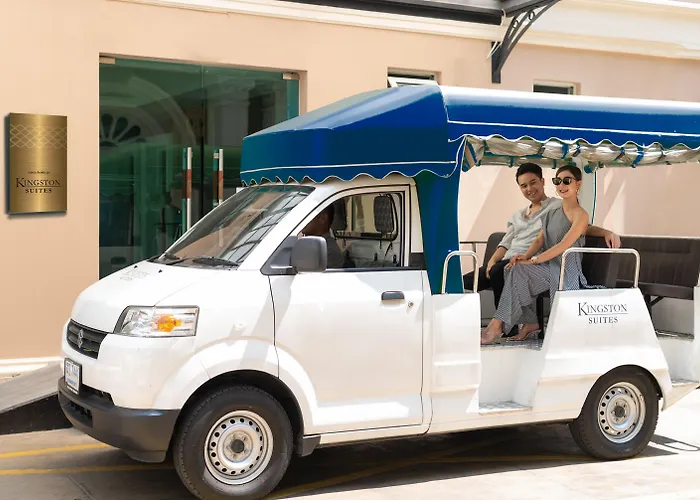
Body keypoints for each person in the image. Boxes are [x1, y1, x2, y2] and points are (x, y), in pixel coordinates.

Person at [464, 162, 620, 335]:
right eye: (558, 181)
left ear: (578, 184)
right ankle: (528, 321)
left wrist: (534, 260)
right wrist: (524, 257)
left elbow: (565, 244)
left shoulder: (579, 214)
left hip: (565, 270)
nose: (561, 185)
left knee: (508, 271)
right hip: (546, 265)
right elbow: (540, 239)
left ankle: (496, 326)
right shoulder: (551, 212)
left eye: (567, 181)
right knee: (513, 269)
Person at [301, 204, 345, 269]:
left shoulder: (329, 252)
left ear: (323, 218)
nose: (302, 219)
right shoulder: (308, 244)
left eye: (307, 215)